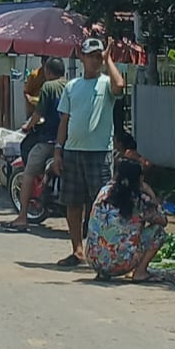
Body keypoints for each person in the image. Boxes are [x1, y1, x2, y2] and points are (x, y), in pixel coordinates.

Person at [53, 37, 127, 268]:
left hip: (99, 153)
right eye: (91, 56)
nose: (95, 60)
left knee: (101, 205)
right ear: (82, 57)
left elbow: (120, 86)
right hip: (73, 151)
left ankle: (102, 254)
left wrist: (109, 60)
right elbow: (64, 121)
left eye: (98, 56)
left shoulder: (105, 83)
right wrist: (58, 150)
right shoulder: (72, 86)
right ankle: (78, 251)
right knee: (73, 203)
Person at [0, 57, 67, 232]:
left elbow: (39, 112)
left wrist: (28, 126)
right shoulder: (71, 86)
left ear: (47, 71)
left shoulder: (48, 87)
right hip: (69, 141)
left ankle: (22, 218)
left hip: (50, 140)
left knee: (28, 173)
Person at [85, 158, 167, 282]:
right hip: (121, 263)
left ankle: (103, 273)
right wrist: (152, 195)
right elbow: (163, 221)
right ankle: (140, 272)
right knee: (159, 232)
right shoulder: (140, 200)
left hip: (94, 259)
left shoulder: (104, 192)